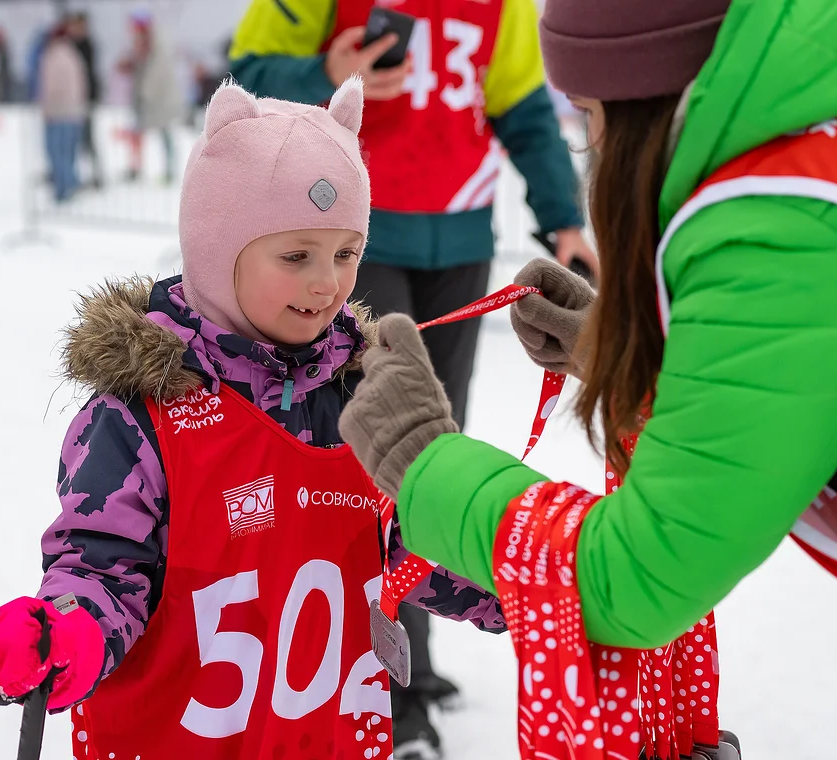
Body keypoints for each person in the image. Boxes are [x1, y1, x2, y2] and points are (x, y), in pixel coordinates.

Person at [339, 0, 837, 751]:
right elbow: (829, 358)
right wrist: (636, 354)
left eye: (589, 114)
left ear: (645, 97)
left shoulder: (788, 221)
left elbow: (634, 578)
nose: (592, 145)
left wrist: (422, 459)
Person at [0, 78, 502, 760]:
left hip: (325, 741)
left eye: (345, 253)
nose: (327, 282)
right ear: (219, 249)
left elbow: (417, 544)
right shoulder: (141, 416)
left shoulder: (363, 402)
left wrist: (537, 579)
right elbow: (103, 568)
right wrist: (66, 631)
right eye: (296, 255)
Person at [229, 2, 594, 755]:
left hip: (460, 234)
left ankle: (410, 659)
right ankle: (378, 683)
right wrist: (325, 73)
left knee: (433, 451)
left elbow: (521, 106)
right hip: (352, 235)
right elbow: (247, 78)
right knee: (371, 451)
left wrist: (564, 218)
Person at [118, 9, 182, 183]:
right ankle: (136, 168)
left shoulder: (158, 45)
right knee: (137, 133)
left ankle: (170, 171)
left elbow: (157, 74)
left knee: (164, 134)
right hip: (144, 99)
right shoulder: (139, 45)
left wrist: (146, 92)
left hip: (159, 99)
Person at [38, 23, 87, 203]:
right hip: (74, 112)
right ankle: (71, 184)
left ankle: (62, 190)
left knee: (56, 153)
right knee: (69, 154)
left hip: (57, 113)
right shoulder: (74, 56)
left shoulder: (51, 57)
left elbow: (49, 87)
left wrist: (46, 109)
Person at [67, 12, 103, 188]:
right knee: (77, 140)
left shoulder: (85, 46)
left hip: (85, 100)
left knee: (88, 139)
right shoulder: (73, 45)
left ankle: (96, 175)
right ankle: (79, 176)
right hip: (77, 100)